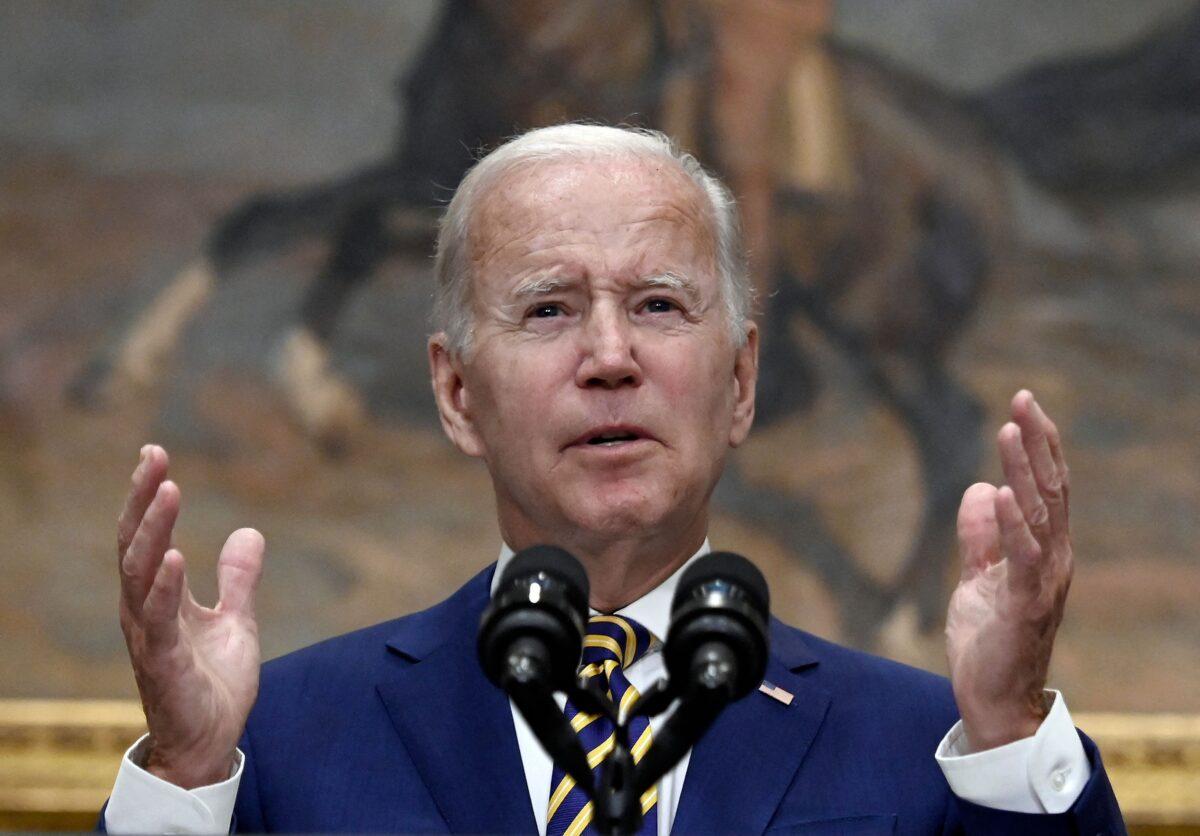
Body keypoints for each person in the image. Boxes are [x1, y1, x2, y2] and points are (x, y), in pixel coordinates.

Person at [103, 124, 1123, 833]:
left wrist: (1012, 731)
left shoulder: (928, 742)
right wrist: (184, 779)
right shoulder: (280, 738)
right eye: (548, 308)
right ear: (457, 393)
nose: (609, 355)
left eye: (660, 306)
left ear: (741, 382)